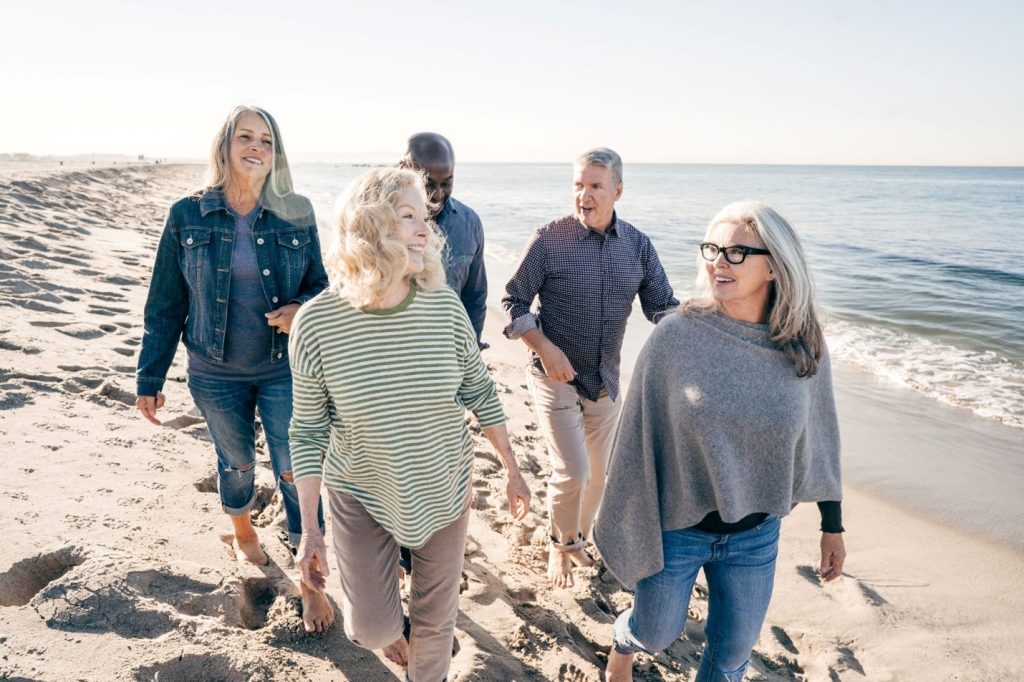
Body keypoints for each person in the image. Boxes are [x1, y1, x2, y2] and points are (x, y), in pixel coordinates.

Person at [288, 168, 531, 682]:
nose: (427, 230)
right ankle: (390, 629)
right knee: (372, 631)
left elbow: (480, 391)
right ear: (367, 229)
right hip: (362, 491)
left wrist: (512, 467)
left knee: (435, 624)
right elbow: (307, 431)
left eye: (426, 218)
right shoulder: (316, 324)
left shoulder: (444, 307)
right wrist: (310, 530)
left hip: (444, 488)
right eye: (408, 218)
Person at [594, 201, 846, 682]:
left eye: (735, 252)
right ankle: (621, 643)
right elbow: (636, 440)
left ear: (773, 266)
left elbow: (822, 434)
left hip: (756, 534)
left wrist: (831, 525)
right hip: (677, 528)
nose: (717, 262)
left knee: (730, 659)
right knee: (654, 632)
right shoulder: (677, 335)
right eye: (712, 249)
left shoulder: (803, 342)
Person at [135, 105, 333, 633]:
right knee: (238, 461)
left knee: (296, 469)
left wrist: (302, 309)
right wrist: (149, 378)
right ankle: (244, 532)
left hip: (283, 368)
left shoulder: (298, 210)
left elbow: (321, 286)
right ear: (224, 145)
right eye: (245, 137)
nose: (256, 148)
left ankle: (311, 578)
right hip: (214, 370)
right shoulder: (188, 214)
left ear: (276, 153)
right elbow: (165, 302)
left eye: (266, 140)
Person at [501, 147, 679, 587]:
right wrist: (544, 347)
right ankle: (559, 546)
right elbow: (512, 302)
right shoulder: (548, 239)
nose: (584, 195)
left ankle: (576, 538)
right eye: (578, 185)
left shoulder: (638, 245)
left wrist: (705, 321)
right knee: (573, 471)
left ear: (617, 190)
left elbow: (661, 306)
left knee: (600, 475)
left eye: (595, 186)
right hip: (553, 374)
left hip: (605, 380)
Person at [400, 132, 488, 347]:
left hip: (449, 349)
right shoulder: (379, 222)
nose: (438, 195)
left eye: (447, 183)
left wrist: (472, 348)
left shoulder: (470, 222)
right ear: (404, 170)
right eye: (428, 185)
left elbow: (474, 296)